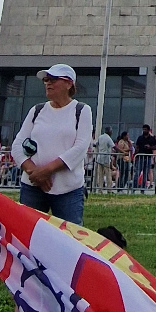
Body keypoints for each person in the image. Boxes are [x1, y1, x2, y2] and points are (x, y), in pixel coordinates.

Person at [11, 63, 93, 224]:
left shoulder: (82, 110)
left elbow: (80, 148)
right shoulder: (37, 110)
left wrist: (47, 171)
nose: (48, 83)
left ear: (69, 84)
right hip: (32, 186)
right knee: (26, 233)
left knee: (70, 238)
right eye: (46, 80)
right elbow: (17, 145)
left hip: (68, 189)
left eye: (54, 79)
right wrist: (34, 172)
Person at [135, 123, 156, 190]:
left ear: (148, 130)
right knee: (137, 172)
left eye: (145, 129)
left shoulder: (152, 138)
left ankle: (143, 187)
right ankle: (134, 186)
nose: (144, 131)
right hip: (140, 157)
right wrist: (136, 155)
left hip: (148, 157)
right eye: (143, 129)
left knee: (145, 173)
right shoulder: (140, 138)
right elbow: (137, 146)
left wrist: (150, 147)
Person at [94, 126, 115, 192]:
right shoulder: (108, 138)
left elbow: (95, 144)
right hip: (106, 158)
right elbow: (114, 146)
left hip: (99, 158)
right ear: (109, 131)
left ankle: (100, 189)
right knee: (108, 174)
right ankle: (109, 189)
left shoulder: (100, 137)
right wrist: (122, 152)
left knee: (100, 174)